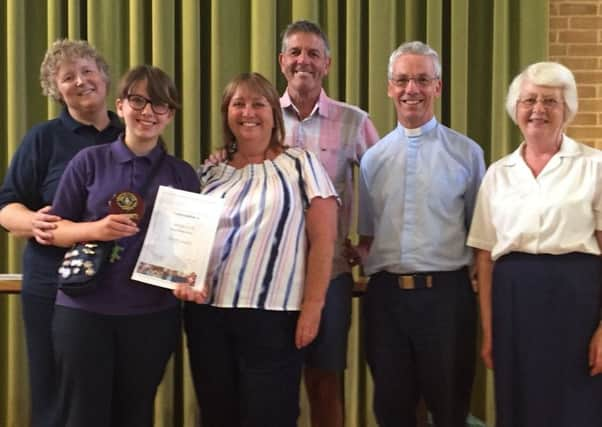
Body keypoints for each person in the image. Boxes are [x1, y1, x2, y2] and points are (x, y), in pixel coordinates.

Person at [174, 72, 339, 427]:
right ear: (226, 114)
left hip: (274, 317)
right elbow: (187, 241)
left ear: (274, 115)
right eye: (238, 104)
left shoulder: (301, 163)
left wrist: (313, 307)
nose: (248, 112)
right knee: (217, 415)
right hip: (208, 316)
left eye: (258, 104)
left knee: (271, 415)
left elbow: (324, 240)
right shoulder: (209, 173)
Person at [48, 65, 200, 426]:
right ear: (120, 105)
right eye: (138, 100)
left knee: (135, 413)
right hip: (84, 311)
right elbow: (54, 230)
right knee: (82, 415)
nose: (148, 112)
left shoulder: (182, 174)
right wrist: (96, 229)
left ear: (170, 115)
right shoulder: (89, 161)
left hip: (151, 315)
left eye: (160, 105)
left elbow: (192, 246)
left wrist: (190, 274)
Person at [356, 41, 485, 427]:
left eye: (422, 80)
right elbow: (367, 235)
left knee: (449, 408)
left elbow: (478, 233)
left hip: (446, 298)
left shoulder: (467, 154)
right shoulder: (372, 159)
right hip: (386, 302)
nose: (411, 89)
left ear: (438, 87)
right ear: (389, 87)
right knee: (391, 409)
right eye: (402, 80)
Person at [467, 62, 602, 427]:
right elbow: (484, 257)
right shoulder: (498, 173)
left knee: (578, 405)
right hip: (514, 301)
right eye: (529, 100)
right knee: (519, 403)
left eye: (550, 101)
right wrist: (490, 331)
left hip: (578, 301)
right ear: (516, 109)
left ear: (567, 109)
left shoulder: (594, 166)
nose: (538, 109)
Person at [0, 39, 123, 426]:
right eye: (68, 77)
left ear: (104, 76)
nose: (81, 81)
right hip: (51, 286)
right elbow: (7, 206)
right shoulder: (43, 138)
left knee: (112, 389)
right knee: (53, 391)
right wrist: (32, 221)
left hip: (117, 286)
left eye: (88, 71)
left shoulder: (133, 134)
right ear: (56, 90)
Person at [278, 20, 379, 427]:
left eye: (313, 53)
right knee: (276, 383)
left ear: (328, 64)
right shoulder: (258, 116)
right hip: (274, 277)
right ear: (283, 61)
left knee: (325, 382)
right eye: (296, 52)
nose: (304, 60)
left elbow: (379, 186)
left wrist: (367, 246)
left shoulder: (354, 121)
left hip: (332, 276)